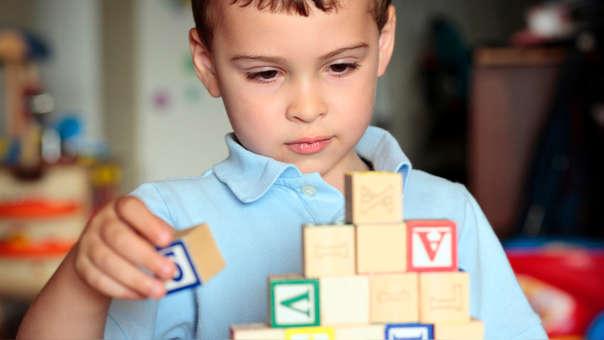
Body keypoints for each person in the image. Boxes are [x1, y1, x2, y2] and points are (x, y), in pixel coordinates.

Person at [17, 1, 548, 339]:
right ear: (208, 65)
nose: (308, 107)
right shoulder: (169, 223)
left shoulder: (448, 210)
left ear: (383, 40)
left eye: (340, 66)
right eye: (266, 73)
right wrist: (86, 278)